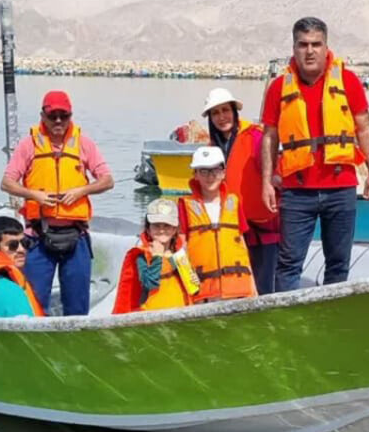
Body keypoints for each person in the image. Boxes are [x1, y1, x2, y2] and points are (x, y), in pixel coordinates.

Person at [260, 17, 369, 291]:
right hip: (296, 190)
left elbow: (364, 128)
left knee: (338, 264)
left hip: (340, 189)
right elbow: (270, 136)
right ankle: (288, 322)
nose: (310, 50)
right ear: (294, 48)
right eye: (303, 45)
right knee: (288, 264)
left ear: (326, 47)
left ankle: (331, 320)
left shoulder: (348, 81)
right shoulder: (279, 88)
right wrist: (266, 180)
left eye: (316, 44)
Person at [1, 91, 114, 316]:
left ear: (71, 116)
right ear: (43, 116)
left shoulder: (84, 144)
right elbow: (6, 183)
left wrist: (83, 190)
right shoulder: (29, 145)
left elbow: (107, 180)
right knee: (33, 302)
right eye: (53, 116)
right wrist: (34, 195)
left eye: (64, 116)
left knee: (77, 305)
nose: (59, 121)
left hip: (76, 236)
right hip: (39, 236)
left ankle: (75, 343)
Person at [201, 87, 279, 295]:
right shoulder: (212, 148)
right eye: (215, 113)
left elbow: (274, 169)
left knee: (265, 290)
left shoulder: (255, 137)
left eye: (225, 110)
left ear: (235, 112)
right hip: (233, 231)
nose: (221, 117)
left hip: (264, 230)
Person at [178, 146, 256, 302]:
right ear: (195, 175)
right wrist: (188, 288)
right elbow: (181, 247)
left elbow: (241, 244)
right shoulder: (185, 205)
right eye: (204, 171)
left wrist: (253, 287)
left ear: (223, 173)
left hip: (237, 288)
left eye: (215, 170)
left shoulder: (234, 202)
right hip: (203, 290)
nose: (210, 176)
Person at [113, 198, 200, 314]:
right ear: (148, 230)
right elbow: (149, 283)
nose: (162, 230)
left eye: (167, 226)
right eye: (156, 226)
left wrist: (195, 283)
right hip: (153, 314)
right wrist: (157, 257)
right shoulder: (142, 256)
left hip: (181, 311)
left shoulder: (179, 255)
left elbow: (193, 290)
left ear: (175, 229)